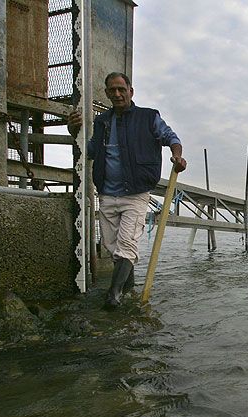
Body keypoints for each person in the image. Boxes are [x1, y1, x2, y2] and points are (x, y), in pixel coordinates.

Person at [67, 72, 187, 309]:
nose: (118, 94)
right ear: (107, 93)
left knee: (126, 246)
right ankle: (128, 292)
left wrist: (177, 155)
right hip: (107, 194)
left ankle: (113, 295)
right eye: (112, 90)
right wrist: (75, 133)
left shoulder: (148, 117)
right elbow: (89, 151)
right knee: (113, 249)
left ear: (131, 91)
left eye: (122, 89)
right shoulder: (102, 122)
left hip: (136, 194)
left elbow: (171, 137)